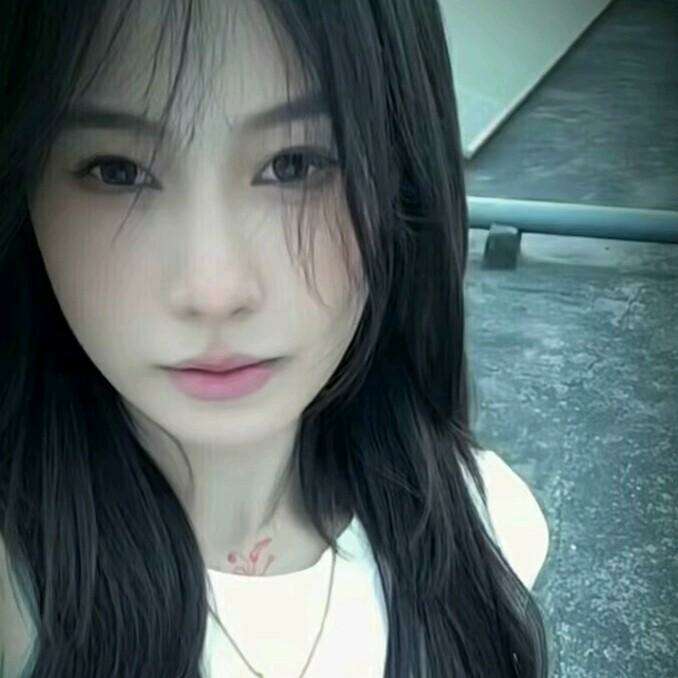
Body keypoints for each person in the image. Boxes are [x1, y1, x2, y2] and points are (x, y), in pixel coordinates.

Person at [0, 0, 551, 676]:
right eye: (117, 170)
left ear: (403, 181)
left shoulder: (490, 528)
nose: (214, 290)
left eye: (295, 164)